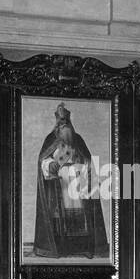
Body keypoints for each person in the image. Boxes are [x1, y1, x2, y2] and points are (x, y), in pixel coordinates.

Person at [33, 102, 109, 259]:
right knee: (59, 216)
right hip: (59, 185)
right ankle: (62, 248)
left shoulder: (78, 140)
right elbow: (43, 161)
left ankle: (81, 247)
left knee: (81, 217)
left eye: (66, 123)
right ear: (57, 125)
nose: (64, 126)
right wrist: (51, 165)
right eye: (61, 124)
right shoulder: (50, 139)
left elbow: (88, 161)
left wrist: (88, 173)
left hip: (78, 182)